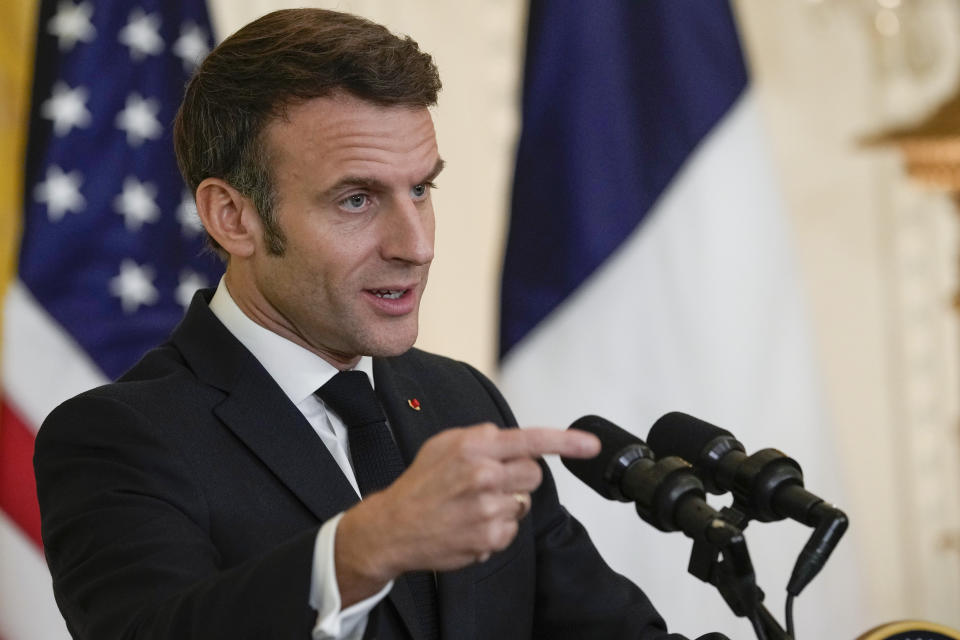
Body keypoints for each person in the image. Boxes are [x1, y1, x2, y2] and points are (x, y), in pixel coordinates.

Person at [34, 9, 693, 640]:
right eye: (357, 199)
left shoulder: (461, 402)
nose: (416, 245)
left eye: (420, 190)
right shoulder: (116, 437)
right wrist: (362, 549)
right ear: (233, 217)